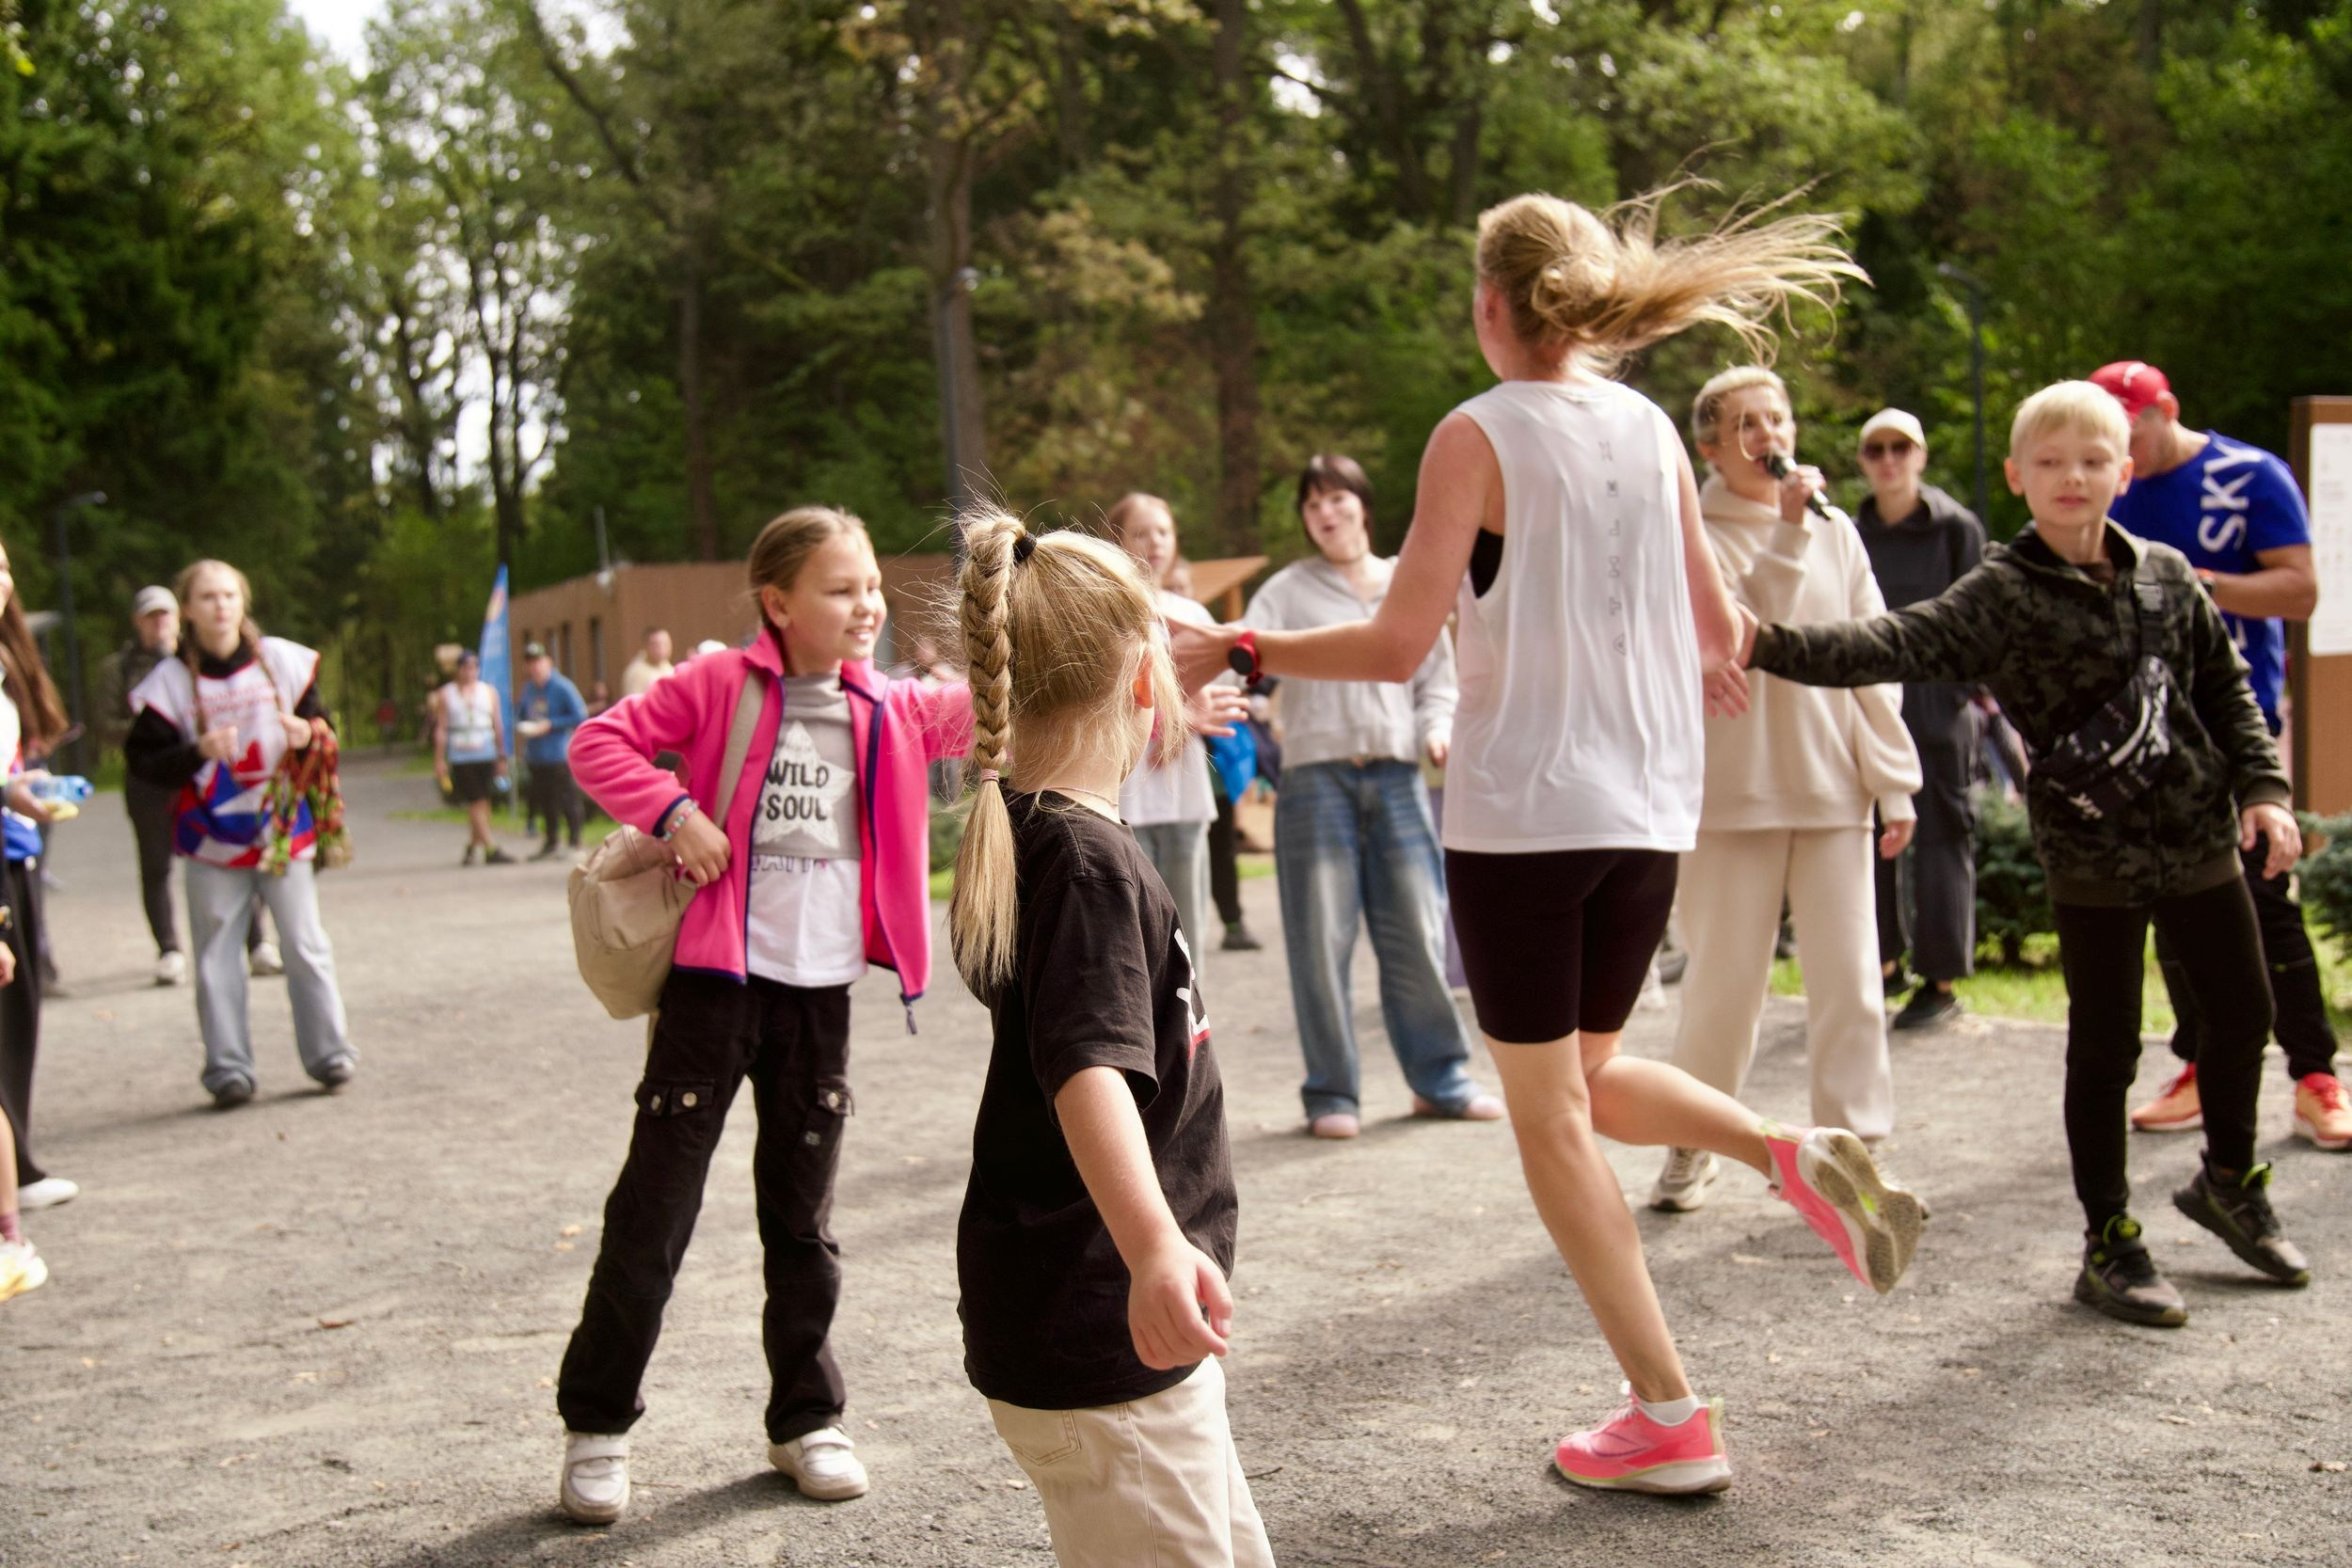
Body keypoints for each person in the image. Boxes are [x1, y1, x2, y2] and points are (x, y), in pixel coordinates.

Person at [1175, 190, 1920, 1493]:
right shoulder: (1645, 426)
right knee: (1584, 1077)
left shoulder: (1475, 433)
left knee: (1546, 1120)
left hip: (1526, 815)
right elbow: (1721, 629)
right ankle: (1786, 1150)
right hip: (1648, 812)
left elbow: (1400, 642)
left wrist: (1240, 644)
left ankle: (1669, 1408)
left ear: (1491, 305)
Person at [1740, 380, 2313, 1324]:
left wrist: (2264, 791)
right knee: (2105, 1042)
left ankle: (2227, 1185)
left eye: (2093, 461)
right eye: (2049, 463)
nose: (2072, 478)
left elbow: (2227, 691)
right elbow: (1888, 639)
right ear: (2017, 476)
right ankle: (2110, 1242)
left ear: (2124, 472)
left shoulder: (2169, 574)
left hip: (2201, 837)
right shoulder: (2002, 593)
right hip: (2093, 857)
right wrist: (1758, 640)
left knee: (2244, 1011)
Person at [553, 506, 974, 1526]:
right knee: (653, 1211)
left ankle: (806, 1418)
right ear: (778, 603)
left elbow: (1013, 705)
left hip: (819, 998)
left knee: (804, 1220)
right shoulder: (713, 686)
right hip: (710, 991)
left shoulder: (896, 709)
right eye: (841, 588)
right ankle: (597, 1425)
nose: (867, 603)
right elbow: (594, 741)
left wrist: (1158, 681)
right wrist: (674, 810)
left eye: (871, 584)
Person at [948, 508, 1273, 1568]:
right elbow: (1088, 1074)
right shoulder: (1084, 859)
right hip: (1103, 1327)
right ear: (1144, 680)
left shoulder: (1039, 828)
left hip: (1099, 1328)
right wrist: (1151, 1251)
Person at [1649, 370, 1921, 1212]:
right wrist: (1791, 533)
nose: (1769, 436)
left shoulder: (1838, 531)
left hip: (1832, 786)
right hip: (1734, 796)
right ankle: (1694, 1144)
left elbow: (1874, 655)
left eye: (1778, 418)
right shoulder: (1690, 530)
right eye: (1746, 424)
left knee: (1851, 984)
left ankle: (1853, 1157)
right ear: (1711, 446)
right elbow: (1731, 632)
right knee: (1725, 988)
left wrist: (1893, 781)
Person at [2091, 361, 2348, 1152]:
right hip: (2142, 728)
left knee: (2267, 897)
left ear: (2165, 409)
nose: (2116, 443)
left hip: (2234, 722)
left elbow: (2301, 591)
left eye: (2127, 424)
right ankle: (2200, 1064)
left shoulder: (2248, 474)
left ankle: (2317, 1077)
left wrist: (2196, 584)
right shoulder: (2109, 484)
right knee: (2174, 903)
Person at [1240, 453, 1502, 1139]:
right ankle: (1332, 1092)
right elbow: (1247, 662)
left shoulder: (1404, 580)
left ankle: (1440, 1079)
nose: (1326, 513)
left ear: (1362, 503)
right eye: (1313, 505)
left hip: (1396, 776)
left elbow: (1434, 679)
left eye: (1337, 499)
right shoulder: (1287, 589)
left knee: (1417, 931)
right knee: (1320, 940)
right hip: (1316, 779)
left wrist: (1436, 730)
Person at [124, 560, 358, 1110]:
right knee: (216, 957)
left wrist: (309, 733)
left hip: (281, 829)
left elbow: (322, 727)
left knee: (304, 944)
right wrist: (195, 752)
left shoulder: (283, 661)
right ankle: (228, 1068)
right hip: (212, 836)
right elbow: (143, 762)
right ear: (189, 609)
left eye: (229, 594)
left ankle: (328, 1053)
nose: (220, 605)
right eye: (207, 597)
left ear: (243, 601)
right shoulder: (170, 683)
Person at [1853, 406, 1988, 1030]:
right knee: (1867, 838)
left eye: (1900, 448)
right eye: (1876, 449)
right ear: (1863, 461)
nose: (1888, 460)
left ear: (1921, 455)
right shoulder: (1847, 529)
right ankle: (1883, 962)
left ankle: (1941, 980)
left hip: (1938, 703)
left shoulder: (1956, 527)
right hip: (1865, 702)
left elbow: (1981, 614)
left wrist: (1955, 691)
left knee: (1941, 840)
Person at [1107, 495, 1246, 956]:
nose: (1155, 543)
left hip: (1184, 796)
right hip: (1127, 801)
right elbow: (1101, 700)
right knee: (1134, 941)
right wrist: (1175, 714)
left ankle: (1189, 1029)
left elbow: (1216, 694)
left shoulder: (1195, 617)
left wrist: (1202, 714)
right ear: (1117, 540)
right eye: (1141, 532)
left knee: (1186, 941)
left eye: (1163, 531)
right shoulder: (1107, 612)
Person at [0, 537, 76, 1211]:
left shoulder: (8, 661)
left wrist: (22, 788)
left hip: (16, 848)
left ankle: (15, 1168)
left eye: (0, 566)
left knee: (19, 1009)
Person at [435, 650, 512, 866]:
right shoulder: (446, 694)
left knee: (483, 803)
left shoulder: (489, 692)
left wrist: (501, 755)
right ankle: (490, 847)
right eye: (465, 668)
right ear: (459, 670)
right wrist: (439, 759)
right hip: (461, 755)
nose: (469, 673)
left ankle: (472, 846)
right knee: (475, 800)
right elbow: (441, 728)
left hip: (485, 751)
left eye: (473, 668)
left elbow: (497, 724)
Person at [516, 641, 588, 861]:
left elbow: (580, 715)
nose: (535, 667)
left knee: (567, 797)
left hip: (558, 753)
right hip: (537, 755)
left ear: (548, 662)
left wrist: (552, 724)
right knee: (545, 799)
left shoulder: (561, 686)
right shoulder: (529, 689)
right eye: (531, 663)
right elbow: (520, 714)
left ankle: (575, 841)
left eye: (538, 661)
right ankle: (551, 841)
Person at [619, 627, 675, 698]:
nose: (662, 648)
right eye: (656, 644)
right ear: (646, 646)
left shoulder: (666, 666)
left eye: (665, 644)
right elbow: (637, 704)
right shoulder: (637, 672)